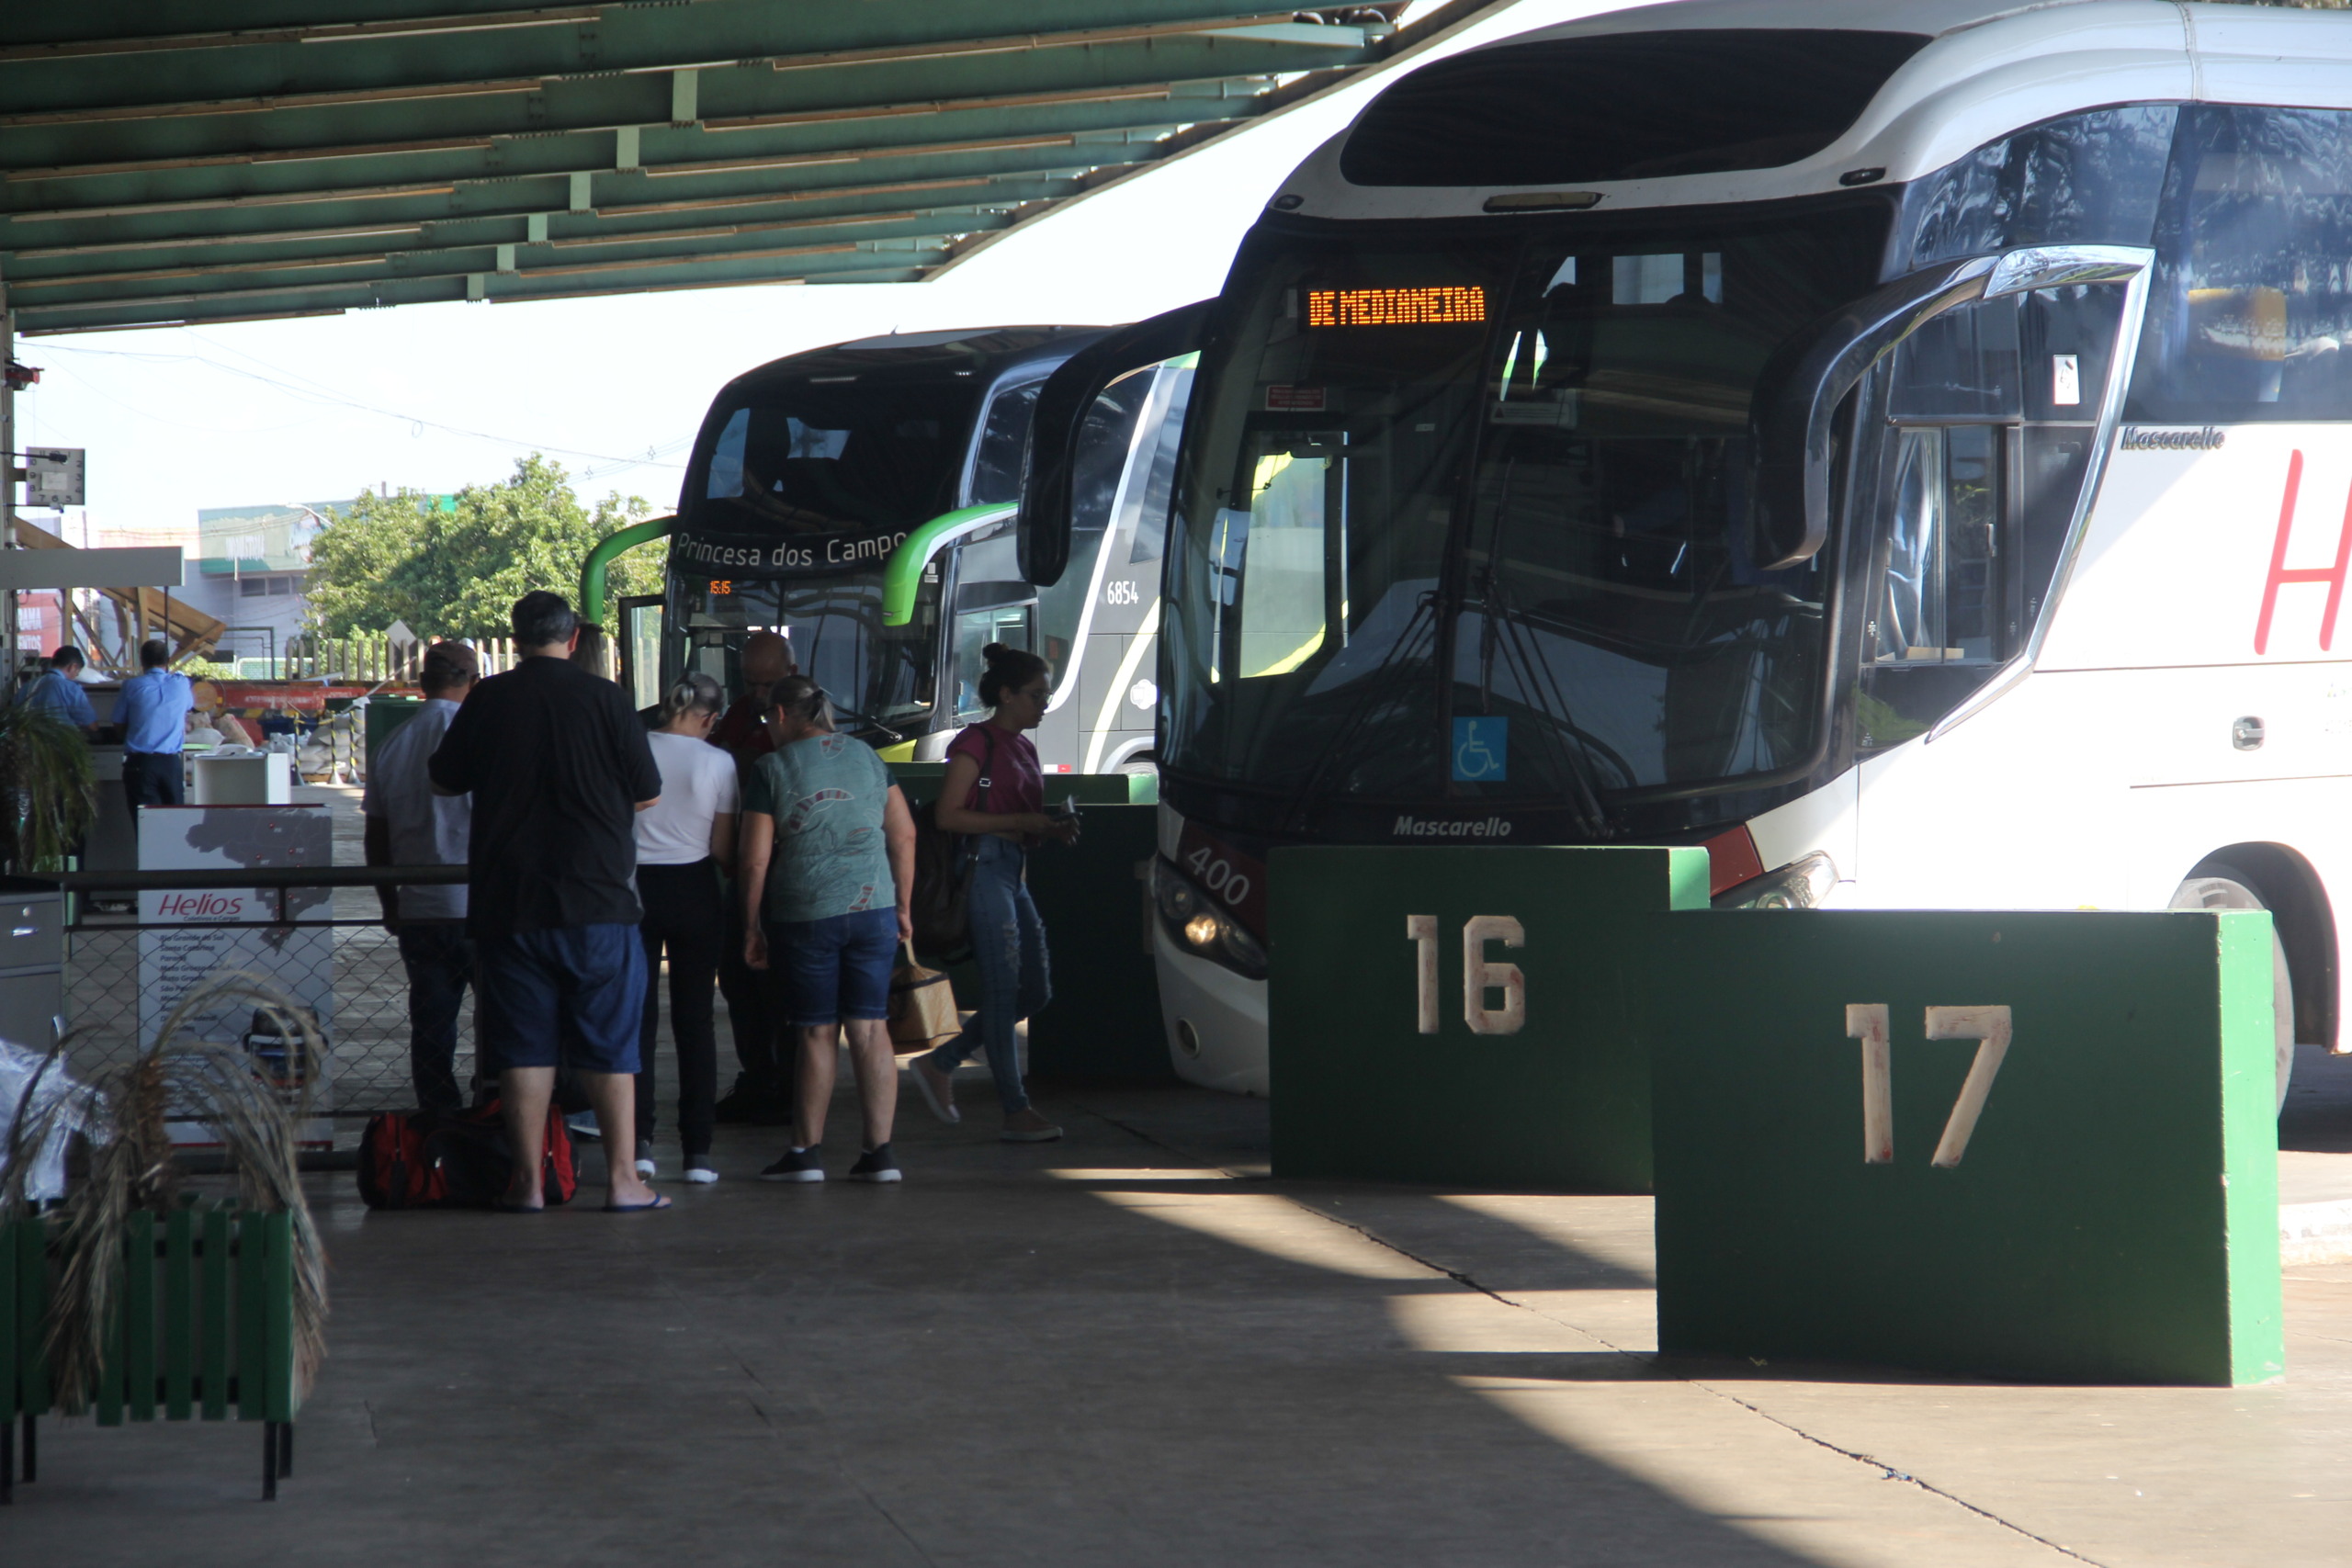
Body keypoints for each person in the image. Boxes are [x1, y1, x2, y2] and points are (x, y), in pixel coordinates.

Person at [427, 592, 670, 1213]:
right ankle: (622, 1181)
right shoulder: (607, 698)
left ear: (513, 640)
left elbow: (444, 778)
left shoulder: (488, 698)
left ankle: (528, 1184)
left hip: (511, 902)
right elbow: (647, 794)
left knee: (523, 1046)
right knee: (611, 1043)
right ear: (574, 637)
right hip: (599, 901)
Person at [740, 675, 917, 1183]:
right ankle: (880, 1154)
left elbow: (754, 860)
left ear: (778, 716)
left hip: (806, 913)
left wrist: (751, 924)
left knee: (817, 1032)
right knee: (870, 1028)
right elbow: (903, 833)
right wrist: (902, 905)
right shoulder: (867, 756)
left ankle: (805, 1154)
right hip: (874, 909)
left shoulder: (770, 768)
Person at [908, 644, 1075, 1143]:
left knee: (1034, 990)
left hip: (1011, 868)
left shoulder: (1022, 746)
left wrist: (1046, 827)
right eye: (1036, 695)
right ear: (1005, 694)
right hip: (981, 867)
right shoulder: (974, 743)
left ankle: (943, 1061)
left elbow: (1017, 817)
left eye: (1045, 695)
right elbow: (947, 816)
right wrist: (1022, 822)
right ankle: (1015, 1109)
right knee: (1003, 992)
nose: (1043, 704)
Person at [361, 641, 480, 1117]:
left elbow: (376, 835)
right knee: (504, 1017)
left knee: (431, 1024)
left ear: (422, 682)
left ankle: (439, 1116)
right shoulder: (482, 739)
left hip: (420, 909)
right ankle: (494, 1103)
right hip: (482, 907)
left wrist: (389, 903)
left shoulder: (394, 744)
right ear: (472, 680)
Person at [632, 671, 738, 1184]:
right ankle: (697, 1151)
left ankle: (639, 1145)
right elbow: (721, 848)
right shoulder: (719, 762)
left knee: (638, 1020)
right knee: (694, 1023)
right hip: (695, 890)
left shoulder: (634, 747)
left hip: (634, 892)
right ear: (710, 718)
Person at [709, 628, 797, 1124]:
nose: (759, 694)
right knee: (739, 981)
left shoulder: (806, 712)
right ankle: (759, 1074)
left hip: (788, 868)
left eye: (767, 684)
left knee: (784, 988)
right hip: (741, 864)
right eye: (750, 682)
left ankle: (787, 1082)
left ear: (791, 672)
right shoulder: (741, 713)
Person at [116, 637, 195, 818]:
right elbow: (188, 708)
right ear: (168, 661)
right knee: (174, 822)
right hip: (170, 765)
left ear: (142, 661)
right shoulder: (182, 684)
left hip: (140, 765)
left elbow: (118, 723)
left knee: (145, 827)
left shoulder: (131, 686)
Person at [22, 646, 97, 736]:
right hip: (63, 743)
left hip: (30, 744)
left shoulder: (27, 687)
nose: (76, 676)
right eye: (77, 672)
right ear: (72, 667)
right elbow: (91, 725)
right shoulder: (71, 688)